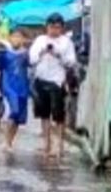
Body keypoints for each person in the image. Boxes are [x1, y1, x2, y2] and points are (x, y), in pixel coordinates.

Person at [29, 13, 78, 160]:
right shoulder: (40, 40)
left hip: (57, 81)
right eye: (51, 27)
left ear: (62, 28)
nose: (54, 30)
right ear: (46, 27)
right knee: (44, 115)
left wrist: (57, 55)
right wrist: (42, 52)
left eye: (57, 27)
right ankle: (47, 144)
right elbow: (31, 59)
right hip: (41, 79)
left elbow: (71, 62)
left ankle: (59, 146)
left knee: (58, 115)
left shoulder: (66, 42)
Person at [0, 28, 31, 149]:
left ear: (23, 39)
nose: (16, 39)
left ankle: (10, 142)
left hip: (22, 87)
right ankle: (6, 142)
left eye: (19, 37)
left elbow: (31, 67)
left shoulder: (26, 54)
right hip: (8, 86)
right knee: (13, 111)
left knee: (18, 118)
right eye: (14, 36)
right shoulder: (4, 53)